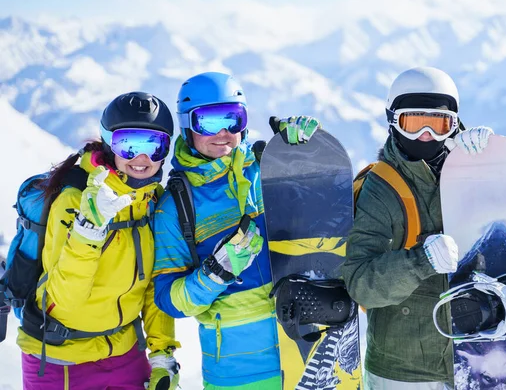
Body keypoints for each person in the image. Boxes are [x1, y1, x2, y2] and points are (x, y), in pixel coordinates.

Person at [152, 72, 320, 389]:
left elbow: (318, 214)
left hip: (303, 349)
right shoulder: (174, 206)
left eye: (233, 119)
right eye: (209, 123)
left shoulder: (263, 168)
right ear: (188, 125)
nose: (224, 133)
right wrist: (215, 273)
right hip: (236, 370)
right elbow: (168, 299)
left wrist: (301, 152)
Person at [341, 66, 494, 390]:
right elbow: (360, 283)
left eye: (439, 124)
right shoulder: (380, 188)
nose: (426, 134)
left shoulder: (466, 168)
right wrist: (420, 261)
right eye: (413, 122)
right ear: (393, 121)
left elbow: (501, 235)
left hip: (473, 362)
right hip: (402, 373)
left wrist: (487, 163)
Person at [16, 92, 181, 390]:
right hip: (58, 357)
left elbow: (155, 284)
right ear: (109, 144)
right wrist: (88, 231)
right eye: (129, 145)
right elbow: (65, 300)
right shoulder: (74, 200)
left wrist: (161, 353)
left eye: (154, 146)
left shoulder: (153, 201)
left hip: (125, 353)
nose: (142, 158)